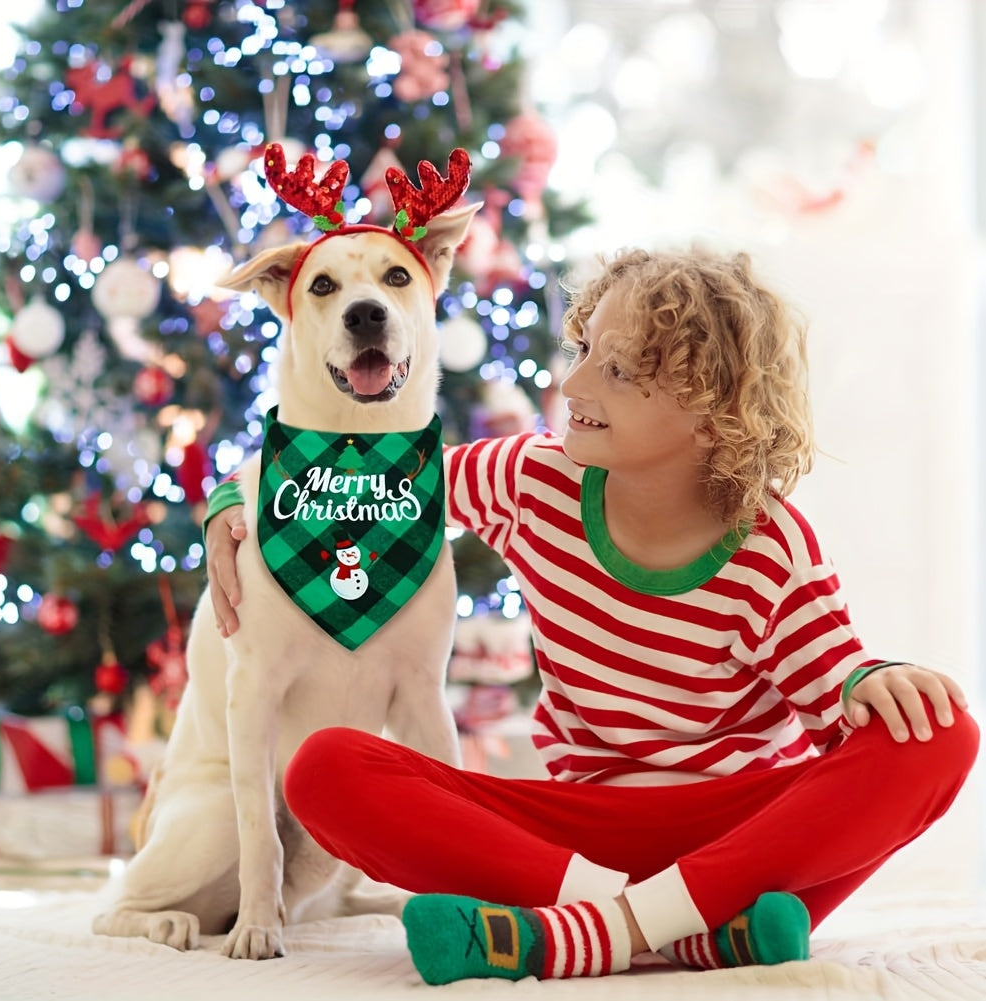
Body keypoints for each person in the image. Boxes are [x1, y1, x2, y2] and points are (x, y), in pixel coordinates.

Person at [203, 246, 978, 985]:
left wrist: (875, 679)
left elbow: (835, 684)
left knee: (939, 729)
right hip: (573, 830)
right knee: (328, 768)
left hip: (733, 835)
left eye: (616, 370)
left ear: (715, 411)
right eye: (580, 349)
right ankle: (696, 932)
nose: (573, 385)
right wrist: (228, 501)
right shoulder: (532, 480)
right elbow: (356, 478)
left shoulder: (770, 546)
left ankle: (590, 933)